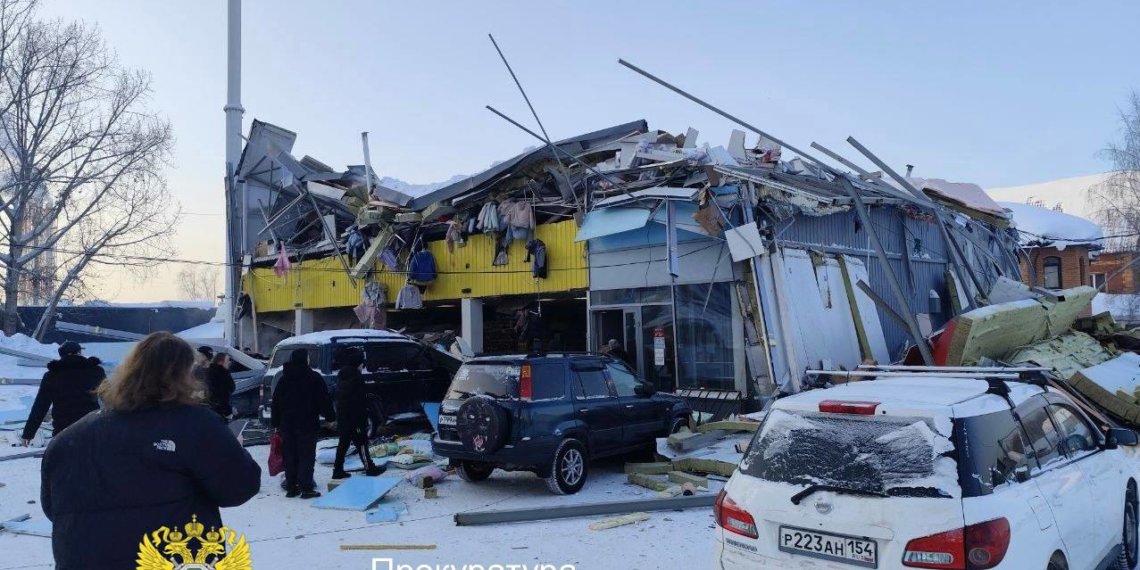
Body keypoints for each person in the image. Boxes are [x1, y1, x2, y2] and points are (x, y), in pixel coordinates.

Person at [40, 332, 260, 570]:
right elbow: (239, 488)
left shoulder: (68, 438)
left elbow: (54, 508)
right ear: (184, 374)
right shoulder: (194, 424)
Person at [271, 349, 335, 499]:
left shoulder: (284, 379)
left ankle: (292, 487)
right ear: (305, 360)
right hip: (307, 423)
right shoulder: (313, 378)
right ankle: (306, 488)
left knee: (290, 454)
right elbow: (323, 399)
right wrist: (330, 416)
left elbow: (276, 402)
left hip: (287, 424)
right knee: (306, 455)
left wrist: (276, 422)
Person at [20, 341, 105, 445]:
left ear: (62, 355)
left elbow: (40, 406)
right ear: (79, 352)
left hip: (63, 431)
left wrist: (28, 433)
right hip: (90, 428)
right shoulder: (96, 371)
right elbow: (110, 398)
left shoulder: (52, 375)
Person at [332, 347, 384, 479]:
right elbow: (358, 400)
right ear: (357, 363)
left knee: (343, 444)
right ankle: (369, 467)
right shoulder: (356, 378)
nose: (363, 365)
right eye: (361, 362)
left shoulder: (342, 376)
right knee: (362, 443)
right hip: (355, 417)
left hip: (343, 416)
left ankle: (337, 470)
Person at [204, 352, 235, 419]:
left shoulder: (209, 371)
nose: (230, 362)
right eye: (228, 360)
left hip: (213, 408)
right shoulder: (222, 374)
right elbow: (230, 388)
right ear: (220, 362)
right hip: (220, 409)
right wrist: (227, 411)